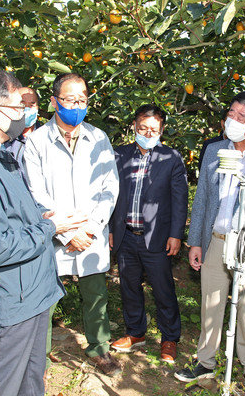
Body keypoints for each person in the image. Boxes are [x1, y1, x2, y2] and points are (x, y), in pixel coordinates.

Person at [0, 67, 86, 395]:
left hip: (30, 294)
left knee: (30, 380)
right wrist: (52, 226)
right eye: (17, 105)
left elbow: (10, 210)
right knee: (1, 386)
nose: (24, 112)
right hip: (9, 301)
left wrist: (41, 213)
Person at [174, 91, 245, 385]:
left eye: (242, 116)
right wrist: (196, 241)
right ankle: (205, 362)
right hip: (216, 240)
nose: (233, 120)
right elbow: (201, 198)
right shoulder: (214, 151)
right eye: (231, 113)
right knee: (211, 305)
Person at [24, 73, 121, 376]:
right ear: (54, 101)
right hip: (55, 233)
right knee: (46, 295)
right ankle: (38, 353)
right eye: (69, 99)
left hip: (91, 233)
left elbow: (110, 187)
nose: (77, 105)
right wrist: (66, 233)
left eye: (82, 99)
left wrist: (91, 228)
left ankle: (99, 349)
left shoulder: (99, 138)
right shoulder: (37, 141)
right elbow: (34, 193)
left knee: (95, 295)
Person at [109, 104, 188, 363]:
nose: (147, 132)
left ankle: (169, 339)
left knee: (163, 289)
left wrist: (176, 234)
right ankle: (136, 333)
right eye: (143, 127)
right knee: (129, 286)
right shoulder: (119, 155)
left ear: (162, 130)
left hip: (156, 237)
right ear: (134, 126)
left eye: (154, 129)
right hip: (125, 235)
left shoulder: (171, 158)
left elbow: (179, 199)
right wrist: (110, 229)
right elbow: (109, 195)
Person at [6, 86, 39, 181]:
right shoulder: (4, 139)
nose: (27, 109)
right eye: (23, 104)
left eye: (32, 105)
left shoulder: (46, 137)